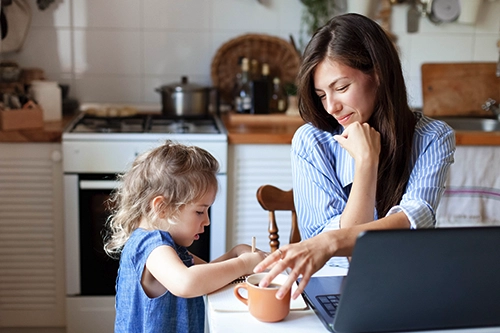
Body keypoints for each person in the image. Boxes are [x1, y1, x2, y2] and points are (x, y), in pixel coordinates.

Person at [254, 13, 455, 300]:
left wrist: (329, 242)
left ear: (378, 74)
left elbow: (415, 218)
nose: (332, 107)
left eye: (341, 87)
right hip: (335, 286)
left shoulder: (433, 137)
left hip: (405, 285)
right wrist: (366, 164)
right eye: (321, 94)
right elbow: (336, 257)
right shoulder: (312, 141)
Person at [104, 140, 266, 333]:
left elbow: (206, 275)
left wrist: (235, 253)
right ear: (162, 208)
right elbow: (188, 282)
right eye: (199, 212)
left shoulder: (169, 247)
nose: (207, 221)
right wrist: (243, 265)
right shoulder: (152, 247)